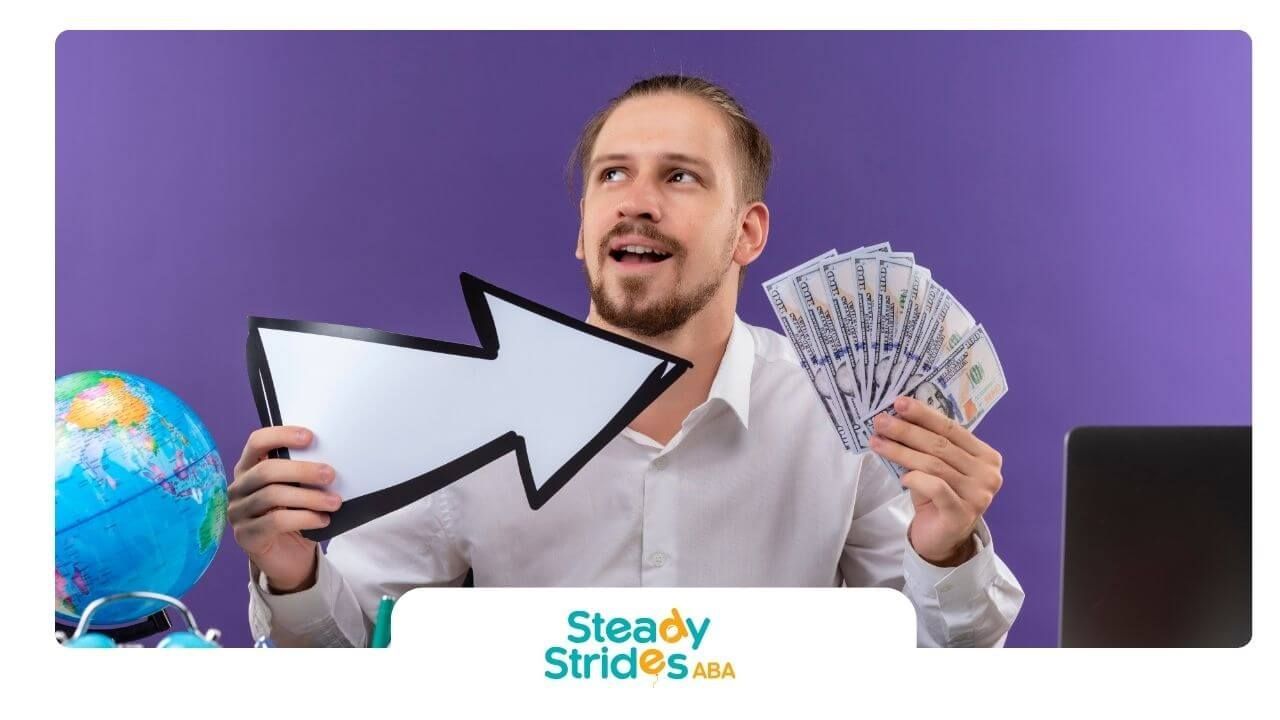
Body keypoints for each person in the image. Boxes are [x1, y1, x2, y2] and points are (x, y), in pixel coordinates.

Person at [231, 74, 1025, 648]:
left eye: (679, 176)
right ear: (584, 229)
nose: (637, 199)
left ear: (747, 233)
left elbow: (945, 660)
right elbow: (342, 664)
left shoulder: (845, 417)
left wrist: (946, 550)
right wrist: (291, 570)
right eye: (613, 175)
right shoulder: (463, 412)